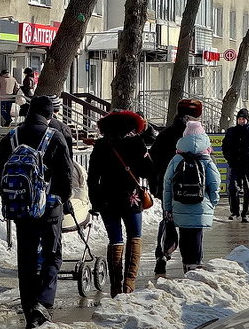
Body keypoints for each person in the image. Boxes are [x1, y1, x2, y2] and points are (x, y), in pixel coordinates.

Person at [0, 94, 73, 329]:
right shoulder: (54, 137)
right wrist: (61, 199)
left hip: (21, 208)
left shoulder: (12, 137)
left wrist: (13, 196)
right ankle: (44, 303)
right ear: (49, 115)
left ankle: (29, 308)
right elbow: (65, 174)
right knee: (51, 253)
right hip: (49, 206)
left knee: (26, 257)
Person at [87, 110, 154, 295]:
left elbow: (92, 177)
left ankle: (116, 287)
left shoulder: (101, 145)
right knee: (135, 236)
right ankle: (129, 284)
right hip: (130, 198)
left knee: (115, 240)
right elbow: (148, 171)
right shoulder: (137, 143)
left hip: (108, 199)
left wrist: (95, 201)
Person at [149, 98, 204, 276]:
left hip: (169, 189)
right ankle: (191, 263)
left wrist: (155, 186)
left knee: (168, 222)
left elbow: (153, 162)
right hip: (194, 192)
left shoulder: (165, 134)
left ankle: (163, 255)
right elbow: (208, 167)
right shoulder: (198, 138)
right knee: (191, 228)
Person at [161, 121, 221, 272]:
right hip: (201, 203)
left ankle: (187, 263)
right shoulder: (206, 159)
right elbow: (215, 183)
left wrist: (167, 207)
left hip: (180, 202)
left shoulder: (177, 159)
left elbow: (167, 185)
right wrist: (212, 202)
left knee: (184, 235)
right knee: (197, 235)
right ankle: (195, 264)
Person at [222, 109, 249, 223]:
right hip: (235, 163)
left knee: (248, 188)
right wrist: (228, 157)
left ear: (247, 120)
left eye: (243, 119)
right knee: (233, 188)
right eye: (239, 119)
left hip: (248, 163)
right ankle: (235, 211)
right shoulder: (231, 131)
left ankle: (246, 213)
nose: (241, 121)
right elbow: (225, 145)